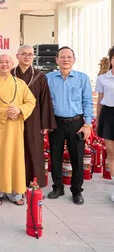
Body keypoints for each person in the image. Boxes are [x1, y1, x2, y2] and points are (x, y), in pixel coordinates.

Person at [0, 54, 36, 206]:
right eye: (0, 62)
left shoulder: (20, 83)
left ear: (12, 64)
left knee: (14, 157)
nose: (4, 65)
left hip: (15, 127)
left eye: (7, 62)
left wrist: (19, 109)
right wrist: (5, 112)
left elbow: (31, 101)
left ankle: (15, 193)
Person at [46, 46, 93, 205]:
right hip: (56, 123)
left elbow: (87, 102)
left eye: (69, 57)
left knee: (77, 158)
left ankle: (77, 190)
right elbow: (45, 103)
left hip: (76, 123)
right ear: (56, 60)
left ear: (74, 59)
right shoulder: (49, 78)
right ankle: (58, 187)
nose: (66, 59)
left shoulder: (82, 78)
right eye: (62, 57)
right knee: (55, 156)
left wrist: (87, 124)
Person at [12, 45, 56, 188]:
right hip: (12, 118)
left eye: (30, 54)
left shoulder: (39, 76)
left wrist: (45, 124)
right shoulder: (9, 74)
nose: (27, 57)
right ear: (17, 56)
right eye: (23, 54)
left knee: (34, 149)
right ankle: (15, 181)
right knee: (14, 149)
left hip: (34, 119)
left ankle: (34, 181)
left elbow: (45, 100)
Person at [94, 46, 114, 202]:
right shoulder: (103, 78)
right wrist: (98, 119)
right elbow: (100, 101)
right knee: (111, 151)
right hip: (109, 114)